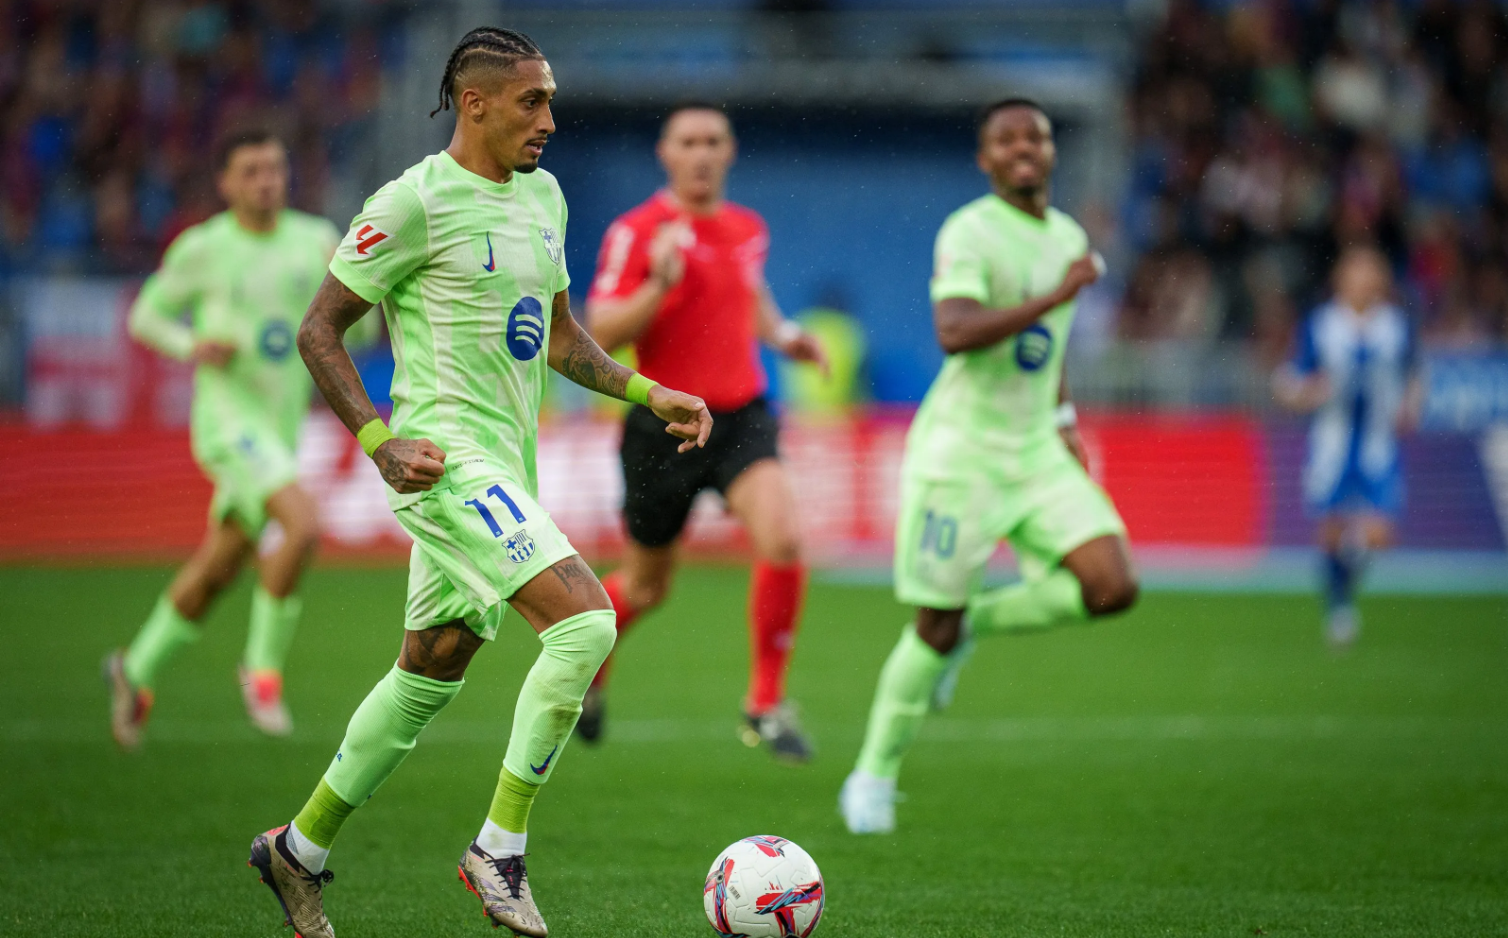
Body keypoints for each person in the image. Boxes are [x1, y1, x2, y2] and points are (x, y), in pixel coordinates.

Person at [244, 28, 712, 938]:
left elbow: (561, 337)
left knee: (432, 666)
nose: (549, 121)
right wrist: (379, 441)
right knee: (586, 624)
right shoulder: (413, 201)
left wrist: (647, 391)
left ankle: (296, 850)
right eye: (532, 102)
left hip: (509, 460)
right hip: (445, 460)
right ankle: (499, 849)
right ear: (475, 103)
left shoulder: (545, 197)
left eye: (550, 102)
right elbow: (319, 329)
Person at [839, 99, 1140, 835]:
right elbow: (956, 330)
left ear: (1052, 151)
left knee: (1112, 587)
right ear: (985, 160)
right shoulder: (970, 231)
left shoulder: (1067, 236)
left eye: (1036, 135)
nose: (1023, 147)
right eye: (1006, 139)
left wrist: (1064, 422)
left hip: (1035, 447)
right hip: (962, 453)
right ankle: (872, 775)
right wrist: (1055, 293)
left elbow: (1050, 348)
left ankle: (975, 623)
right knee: (931, 626)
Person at [583, 102, 828, 761]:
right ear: (665, 154)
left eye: (712, 141)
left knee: (784, 537)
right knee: (646, 587)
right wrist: (658, 285)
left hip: (741, 416)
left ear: (729, 152)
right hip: (663, 424)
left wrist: (786, 335)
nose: (701, 153)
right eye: (687, 142)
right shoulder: (638, 232)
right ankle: (588, 669)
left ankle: (765, 704)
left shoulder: (747, 227)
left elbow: (749, 292)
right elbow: (600, 331)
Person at [105, 129, 361, 748]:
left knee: (219, 568)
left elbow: (354, 325)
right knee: (302, 526)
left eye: (274, 168)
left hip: (279, 426)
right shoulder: (204, 248)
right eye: (251, 171)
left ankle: (134, 670)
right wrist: (190, 344)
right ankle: (262, 672)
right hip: (227, 420)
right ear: (224, 183)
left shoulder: (315, 240)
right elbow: (145, 315)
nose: (266, 181)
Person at [1273, 245, 1421, 648]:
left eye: (1371, 272)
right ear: (1341, 278)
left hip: (1378, 444)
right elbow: (1288, 381)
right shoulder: (1321, 324)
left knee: (1379, 534)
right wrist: (1307, 393)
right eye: (1356, 272)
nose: (1364, 280)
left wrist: (1411, 405)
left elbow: (1413, 373)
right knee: (1331, 529)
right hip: (1332, 444)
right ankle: (1338, 608)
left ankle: (1346, 574)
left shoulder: (1396, 325)